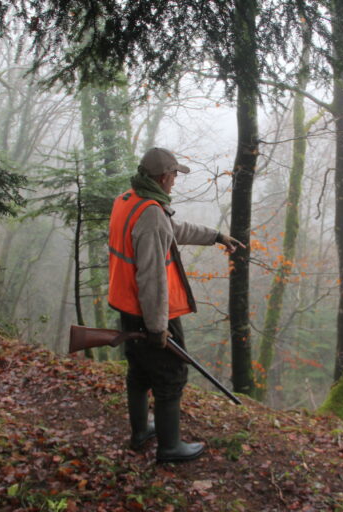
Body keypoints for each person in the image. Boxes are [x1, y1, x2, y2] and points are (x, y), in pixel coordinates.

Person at [107, 147, 243, 463]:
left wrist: (218, 236)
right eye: (174, 175)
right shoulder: (151, 213)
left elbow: (172, 231)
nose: (175, 182)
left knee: (139, 371)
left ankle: (141, 432)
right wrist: (158, 327)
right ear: (163, 176)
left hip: (128, 307)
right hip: (150, 313)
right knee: (170, 376)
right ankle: (170, 448)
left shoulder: (129, 200)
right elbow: (152, 276)